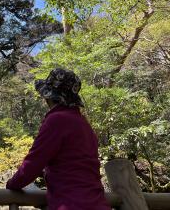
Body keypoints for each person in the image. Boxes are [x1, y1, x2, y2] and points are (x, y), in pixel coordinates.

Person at [6, 68, 110, 210]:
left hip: (71, 204)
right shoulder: (83, 123)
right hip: (98, 204)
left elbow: (33, 163)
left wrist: (11, 184)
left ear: (49, 95)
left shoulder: (56, 120)